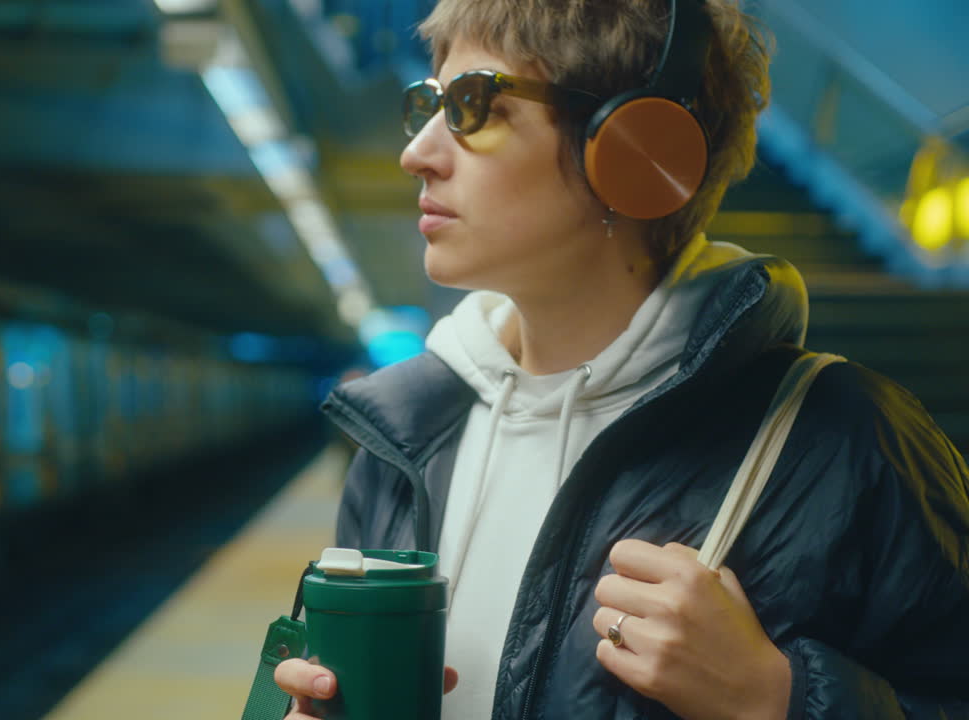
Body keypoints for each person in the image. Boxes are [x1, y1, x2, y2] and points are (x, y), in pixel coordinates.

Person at [275, 0, 969, 718]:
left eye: (472, 105)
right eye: (426, 104)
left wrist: (778, 700)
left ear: (638, 149)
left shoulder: (846, 443)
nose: (416, 152)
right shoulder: (401, 445)